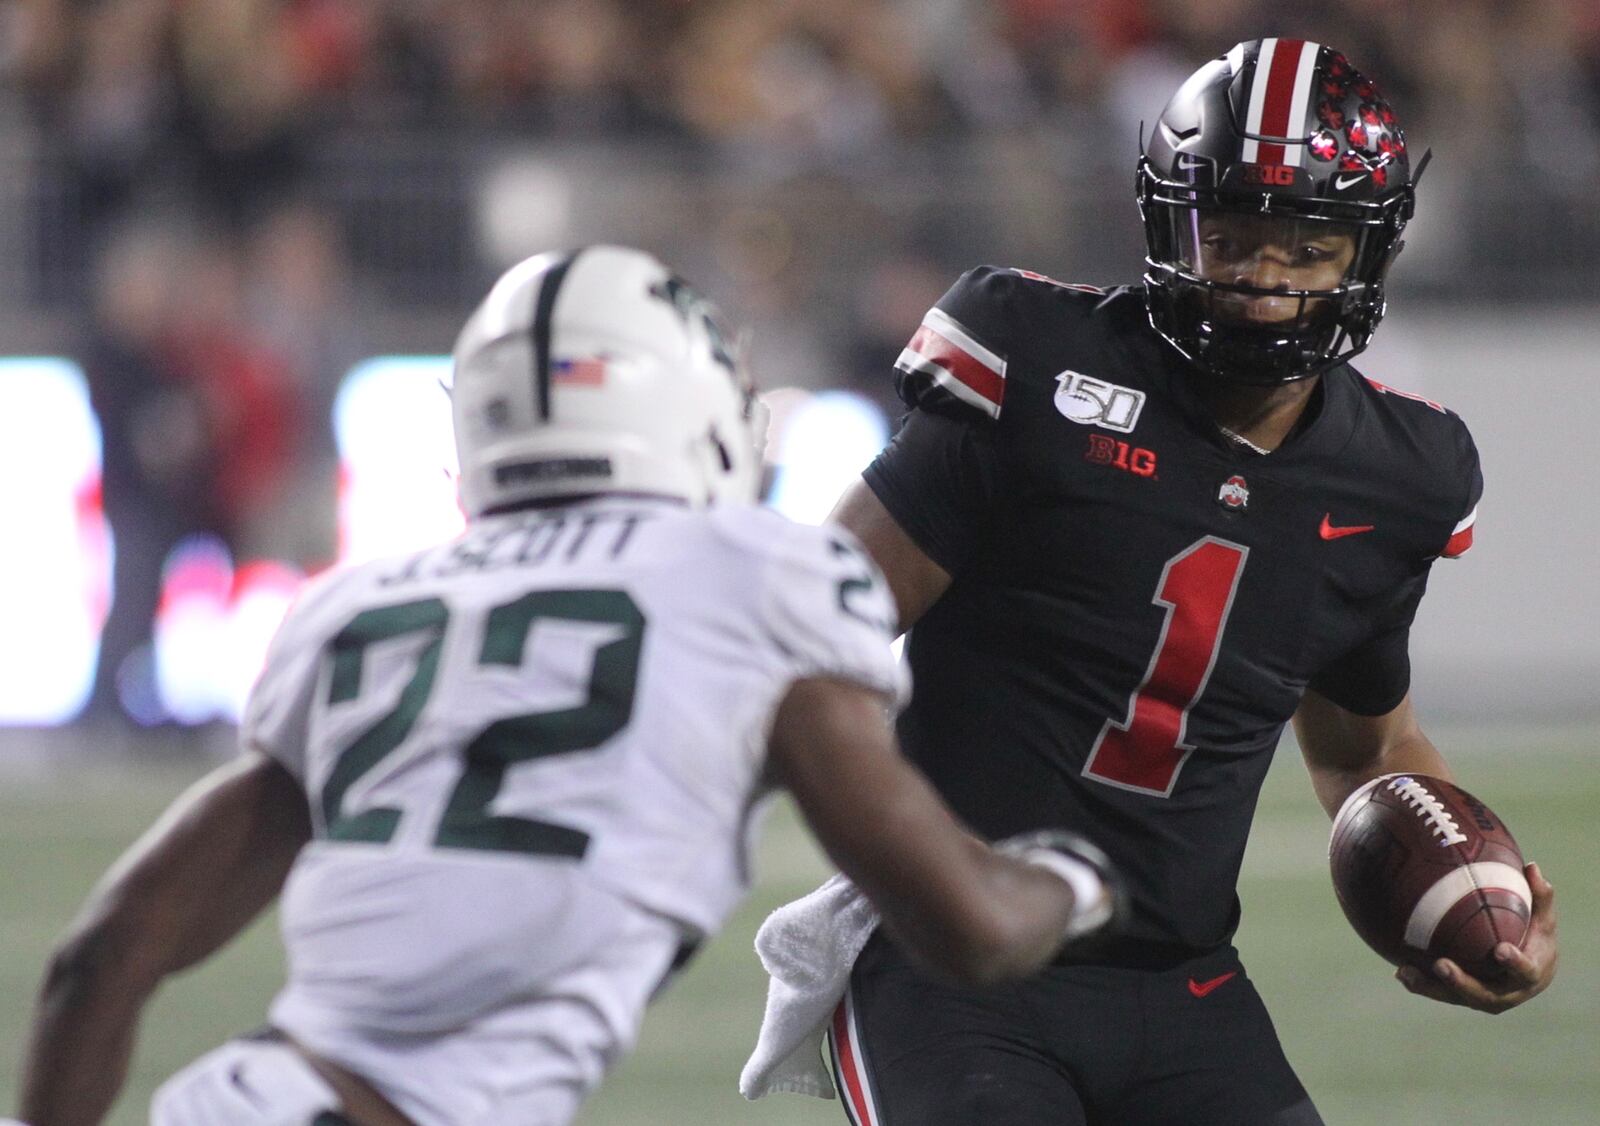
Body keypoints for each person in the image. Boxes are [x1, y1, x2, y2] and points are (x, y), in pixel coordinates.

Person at [14, 245, 1125, 1126]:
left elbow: (98, 959)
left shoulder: (363, 610)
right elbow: (971, 927)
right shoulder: (754, 581)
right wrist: (1079, 879)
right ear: (692, 408)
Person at [763, 39, 1560, 1125]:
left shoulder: (1398, 476)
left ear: (1367, 253)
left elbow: (1368, 750)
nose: (1266, 278)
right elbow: (809, 635)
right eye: (1229, 234)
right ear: (1166, 222)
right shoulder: (1032, 365)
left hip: (1181, 982)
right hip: (951, 963)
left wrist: (1471, 894)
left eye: (1308, 243)